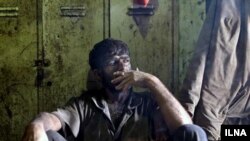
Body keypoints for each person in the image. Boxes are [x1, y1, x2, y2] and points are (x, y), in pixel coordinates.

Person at [22, 38, 207, 141]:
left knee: (195, 132)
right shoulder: (84, 105)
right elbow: (54, 119)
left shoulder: (147, 103)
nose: (122, 67)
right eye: (112, 63)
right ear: (97, 74)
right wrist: (36, 124)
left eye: (125, 60)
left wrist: (153, 81)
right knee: (49, 135)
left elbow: (186, 128)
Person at [178, 0, 250, 140]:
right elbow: (202, 53)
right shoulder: (225, 5)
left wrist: (188, 100)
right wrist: (188, 100)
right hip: (217, 97)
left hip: (224, 98)